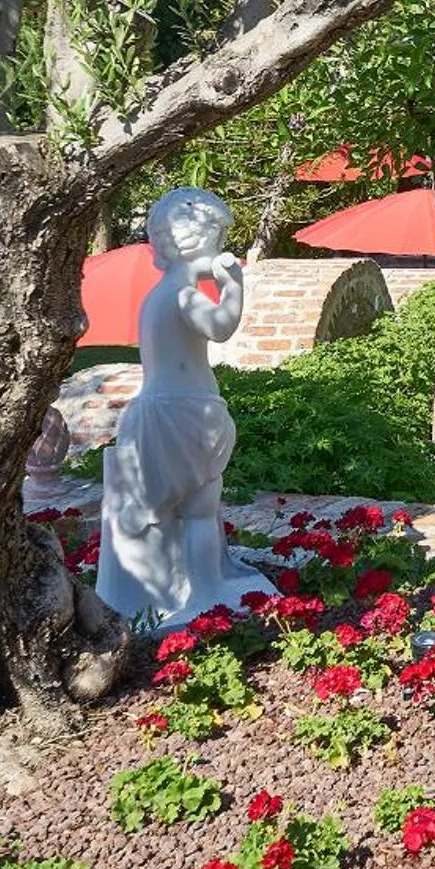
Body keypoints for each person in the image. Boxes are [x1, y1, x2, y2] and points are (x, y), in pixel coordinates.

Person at [97, 188, 264, 625]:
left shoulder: (157, 296)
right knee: (199, 510)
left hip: (163, 411)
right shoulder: (184, 296)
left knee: (184, 511)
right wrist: (233, 287)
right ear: (200, 243)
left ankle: (188, 585)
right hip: (185, 414)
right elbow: (222, 328)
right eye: (219, 241)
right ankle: (206, 592)